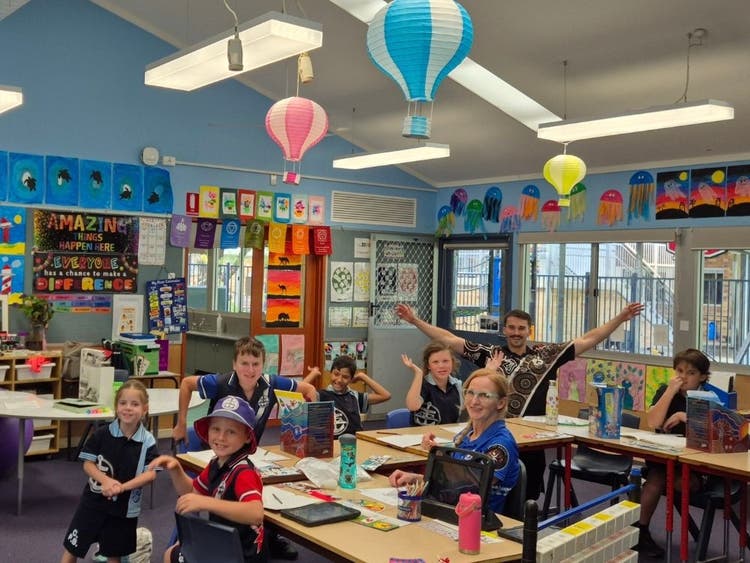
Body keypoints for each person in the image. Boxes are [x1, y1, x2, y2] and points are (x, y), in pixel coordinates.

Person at [395, 302, 644, 499]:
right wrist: (415, 320)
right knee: (483, 485)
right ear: (504, 330)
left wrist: (620, 318)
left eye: (521, 328)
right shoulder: (492, 355)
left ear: (529, 330)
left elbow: (589, 339)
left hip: (531, 438)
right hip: (494, 432)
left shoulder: (546, 355)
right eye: (511, 328)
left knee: (529, 491)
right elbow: (449, 339)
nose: (516, 333)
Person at [172, 336, 314, 560]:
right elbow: (187, 383)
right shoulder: (220, 382)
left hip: (249, 452)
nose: (250, 370)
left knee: (264, 485)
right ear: (234, 364)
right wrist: (181, 423)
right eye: (244, 363)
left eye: (256, 364)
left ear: (263, 365)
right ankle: (184, 541)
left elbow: (308, 389)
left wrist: (308, 425)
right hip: (216, 450)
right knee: (206, 491)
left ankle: (268, 538)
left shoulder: (271, 383)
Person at [151, 395, 267, 563]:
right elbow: (192, 492)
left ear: (247, 437)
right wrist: (176, 469)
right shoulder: (216, 463)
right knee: (173, 552)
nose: (221, 437)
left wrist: (205, 503)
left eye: (231, 431)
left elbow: (255, 513)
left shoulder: (243, 472)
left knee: (173, 555)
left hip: (240, 553)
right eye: (216, 429)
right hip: (222, 542)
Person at [389, 368, 519, 514]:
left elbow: (470, 487)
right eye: (470, 393)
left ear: (500, 403)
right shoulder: (465, 437)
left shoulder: (501, 445)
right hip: (450, 511)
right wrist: (415, 479)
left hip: (476, 522)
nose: (474, 401)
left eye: (484, 395)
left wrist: (440, 457)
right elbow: (450, 483)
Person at [61, 380, 159, 563]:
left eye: (134, 404)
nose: (128, 408)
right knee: (72, 547)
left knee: (114, 553)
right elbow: (87, 464)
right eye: (123, 403)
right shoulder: (102, 434)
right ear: (116, 406)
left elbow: (151, 474)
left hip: (124, 510)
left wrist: (122, 487)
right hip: (93, 503)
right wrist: (105, 481)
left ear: (145, 409)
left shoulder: (149, 442)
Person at [635, 348, 711, 558]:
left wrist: (683, 416)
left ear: (703, 376)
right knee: (658, 474)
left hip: (696, 467)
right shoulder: (665, 391)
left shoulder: (708, 397)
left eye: (691, 373)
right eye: (679, 371)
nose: (683, 377)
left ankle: (639, 528)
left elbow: (712, 433)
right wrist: (669, 392)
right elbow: (653, 422)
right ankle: (640, 531)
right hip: (665, 461)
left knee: (658, 478)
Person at [303, 355, 391, 437]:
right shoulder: (320, 395)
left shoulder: (355, 396)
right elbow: (298, 393)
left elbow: (385, 395)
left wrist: (362, 376)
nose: (339, 380)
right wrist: (313, 374)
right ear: (331, 373)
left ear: (351, 379)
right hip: (333, 445)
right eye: (336, 374)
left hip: (355, 443)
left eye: (345, 377)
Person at [401, 341, 463, 426]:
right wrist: (419, 373)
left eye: (445, 361)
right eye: (435, 362)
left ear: (452, 362)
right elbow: (412, 406)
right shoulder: (423, 385)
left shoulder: (457, 385)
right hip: (422, 437)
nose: (441, 366)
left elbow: (464, 415)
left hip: (449, 437)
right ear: (428, 366)